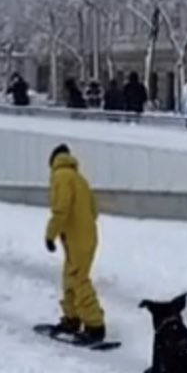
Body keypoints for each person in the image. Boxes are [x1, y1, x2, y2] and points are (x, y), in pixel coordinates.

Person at [44, 144, 106, 344]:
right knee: (70, 277)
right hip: (85, 235)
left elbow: (61, 209)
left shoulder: (60, 177)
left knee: (79, 279)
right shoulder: (80, 179)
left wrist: (50, 235)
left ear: (54, 160)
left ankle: (95, 325)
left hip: (77, 237)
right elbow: (94, 210)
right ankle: (72, 318)